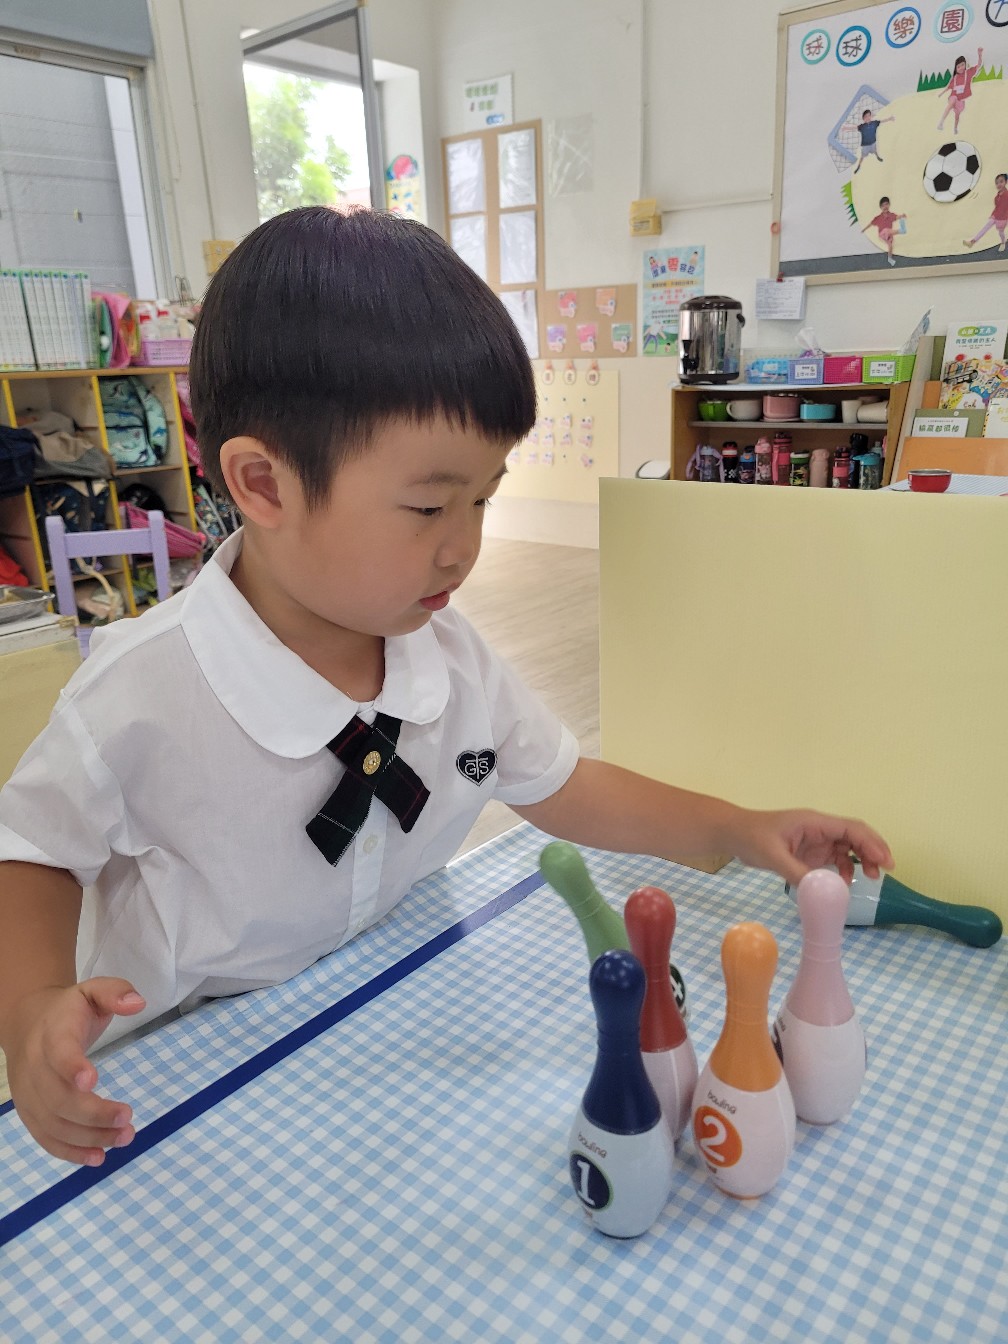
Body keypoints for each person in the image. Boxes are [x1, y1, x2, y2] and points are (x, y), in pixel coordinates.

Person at [0, 207, 892, 1168]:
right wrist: (32, 1009)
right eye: (428, 505)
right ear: (263, 484)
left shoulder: (448, 658)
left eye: (484, 499)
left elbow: (564, 784)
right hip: (182, 1079)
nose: (463, 547)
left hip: (366, 1030)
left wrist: (741, 830)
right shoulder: (142, 690)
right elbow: (33, 852)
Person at [938, 48, 983, 134]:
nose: (961, 68)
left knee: (957, 116)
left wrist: (979, 55)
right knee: (951, 102)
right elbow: (948, 87)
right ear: (956, 69)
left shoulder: (968, 73)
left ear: (965, 64)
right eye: (958, 67)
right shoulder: (955, 78)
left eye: (962, 65)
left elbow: (979, 65)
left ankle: (955, 128)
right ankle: (941, 122)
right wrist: (941, 93)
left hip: (961, 100)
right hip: (953, 96)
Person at [963, 172, 1008, 253]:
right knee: (985, 228)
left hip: (1003, 218)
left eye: (1001, 181)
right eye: (997, 183)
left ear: (1006, 182)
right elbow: (997, 207)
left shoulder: (1007, 194)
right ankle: (972, 242)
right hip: (995, 216)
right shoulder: (997, 197)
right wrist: (993, 215)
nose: (999, 184)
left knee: (1001, 232)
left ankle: (1003, 242)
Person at [862, 196, 906, 266]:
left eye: (886, 204)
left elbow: (897, 217)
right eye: (883, 205)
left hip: (888, 234)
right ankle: (902, 231)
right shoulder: (878, 218)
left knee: (890, 245)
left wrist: (902, 216)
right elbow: (871, 224)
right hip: (882, 234)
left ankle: (890, 259)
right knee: (886, 230)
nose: (885, 207)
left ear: (889, 205)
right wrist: (864, 229)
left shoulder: (891, 215)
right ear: (880, 207)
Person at [853, 109, 894, 174]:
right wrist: (846, 128)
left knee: (875, 151)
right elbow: (854, 127)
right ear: (863, 118)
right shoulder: (862, 126)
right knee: (862, 157)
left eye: (869, 116)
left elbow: (882, 121)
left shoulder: (874, 123)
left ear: (871, 116)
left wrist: (889, 119)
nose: (867, 118)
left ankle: (878, 157)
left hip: (873, 143)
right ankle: (858, 166)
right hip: (865, 146)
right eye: (866, 116)